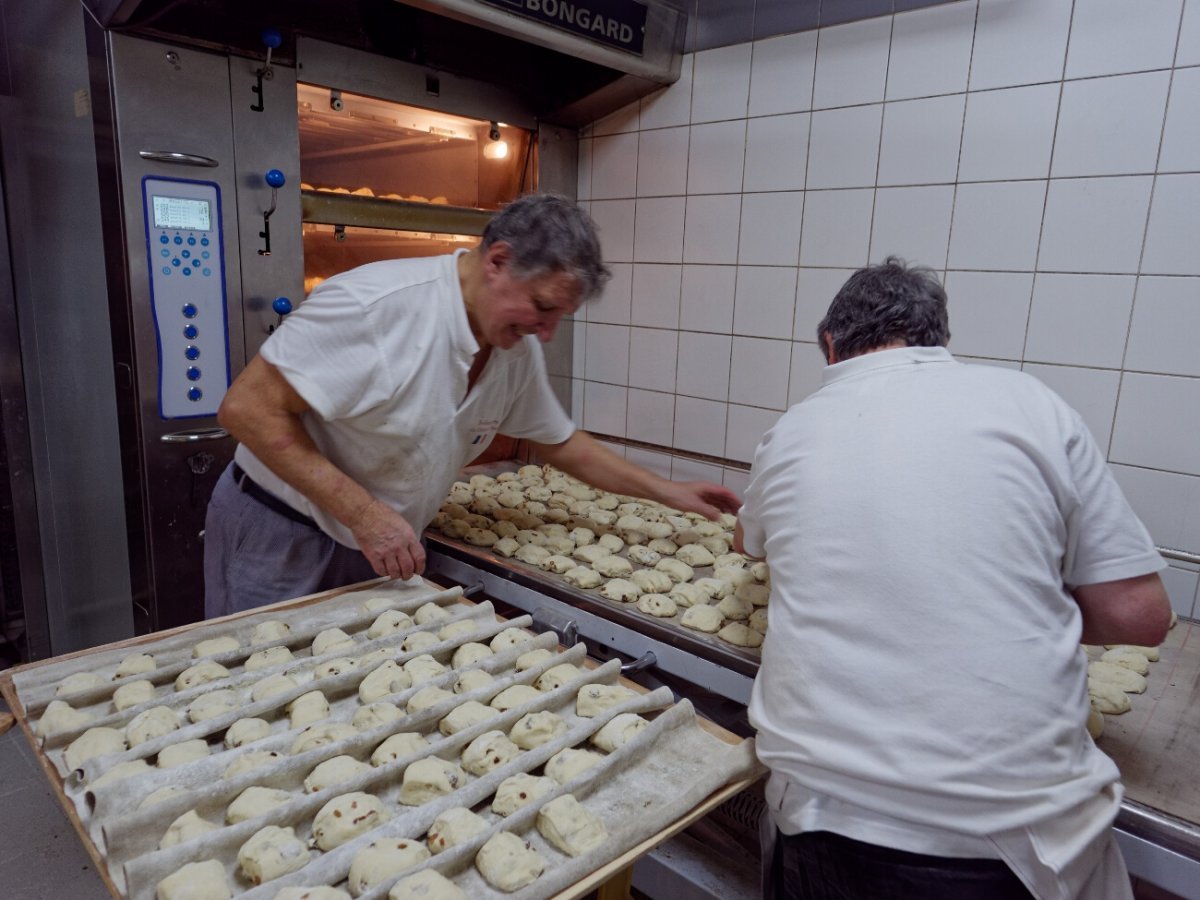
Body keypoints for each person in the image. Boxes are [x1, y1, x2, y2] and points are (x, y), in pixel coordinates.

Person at [735, 257, 1171, 900]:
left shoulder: (794, 428)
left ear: (831, 345)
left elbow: (749, 542)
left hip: (821, 817)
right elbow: (1141, 614)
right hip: (1011, 838)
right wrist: (1002, 609)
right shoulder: (1030, 405)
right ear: (937, 338)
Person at [205, 192, 740, 618]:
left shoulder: (511, 346)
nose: (547, 333)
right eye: (543, 307)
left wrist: (668, 492)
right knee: (261, 685)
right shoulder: (375, 308)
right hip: (282, 532)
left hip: (379, 543)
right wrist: (365, 514)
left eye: (560, 318)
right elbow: (246, 409)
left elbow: (558, 442)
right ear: (498, 261)